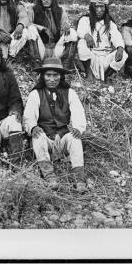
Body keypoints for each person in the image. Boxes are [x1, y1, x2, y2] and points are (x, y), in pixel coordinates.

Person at [23, 57, 88, 191]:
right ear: (43, 76)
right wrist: (33, 127)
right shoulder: (36, 94)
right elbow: (28, 117)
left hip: (62, 139)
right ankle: (49, 176)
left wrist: (77, 128)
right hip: (46, 139)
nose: (52, 79)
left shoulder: (70, 93)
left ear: (61, 76)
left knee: (74, 138)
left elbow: (78, 113)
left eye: (55, 75)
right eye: (48, 75)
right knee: (38, 136)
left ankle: (79, 179)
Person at [27, 0, 78, 70]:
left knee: (72, 32)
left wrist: (67, 26)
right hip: (41, 48)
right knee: (31, 29)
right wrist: (42, 28)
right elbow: (27, 24)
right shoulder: (32, 10)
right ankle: (37, 65)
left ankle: (65, 67)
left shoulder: (60, 11)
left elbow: (65, 24)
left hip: (56, 49)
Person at [76, 0, 127, 82]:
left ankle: (107, 76)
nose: (99, 10)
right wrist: (87, 36)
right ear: (92, 7)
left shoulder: (110, 23)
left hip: (105, 58)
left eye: (102, 7)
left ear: (105, 8)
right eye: (96, 7)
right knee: (82, 43)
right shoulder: (85, 20)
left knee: (124, 54)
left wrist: (119, 47)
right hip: (91, 58)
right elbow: (80, 31)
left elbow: (117, 36)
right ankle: (89, 74)